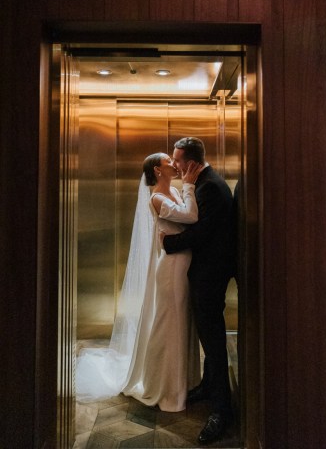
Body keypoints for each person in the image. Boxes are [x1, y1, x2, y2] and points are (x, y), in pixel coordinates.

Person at [76, 152, 202, 412]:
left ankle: (182, 383)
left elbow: (188, 217)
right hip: (170, 269)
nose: (174, 165)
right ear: (158, 170)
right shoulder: (156, 198)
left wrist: (186, 189)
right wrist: (190, 184)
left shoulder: (175, 193)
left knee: (180, 324)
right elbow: (190, 217)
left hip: (183, 266)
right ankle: (164, 387)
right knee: (169, 324)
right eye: (169, 162)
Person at [161, 137, 235, 444]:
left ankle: (222, 411)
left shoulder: (211, 187)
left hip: (210, 275)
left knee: (214, 340)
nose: (175, 166)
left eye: (178, 161)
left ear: (191, 162)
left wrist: (169, 243)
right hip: (205, 273)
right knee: (207, 335)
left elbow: (201, 232)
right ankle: (207, 386)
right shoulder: (204, 183)